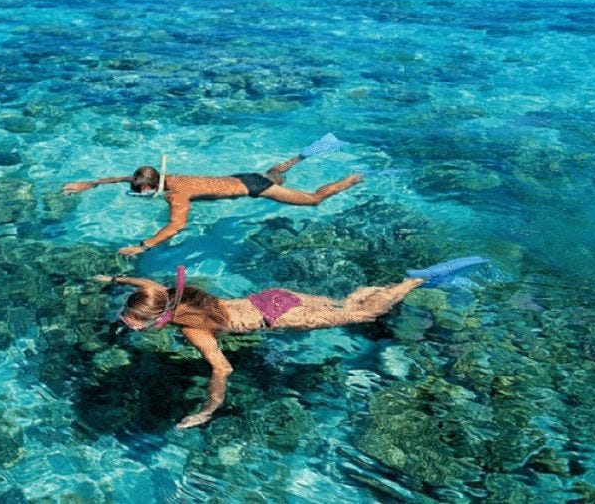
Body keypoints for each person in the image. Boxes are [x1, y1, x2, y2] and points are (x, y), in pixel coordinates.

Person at [95, 265, 434, 429]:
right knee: (339, 307)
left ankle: (415, 280)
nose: (133, 326)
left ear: (160, 317)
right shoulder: (166, 293)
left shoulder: (193, 329)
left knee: (367, 314)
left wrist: (208, 409)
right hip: (271, 296)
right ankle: (370, 290)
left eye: (137, 323)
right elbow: (142, 283)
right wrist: (113, 280)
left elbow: (223, 369)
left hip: (278, 315)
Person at [62, 134, 363, 256]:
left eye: (141, 192)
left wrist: (143, 246)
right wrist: (89, 184)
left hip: (254, 188)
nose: (138, 192)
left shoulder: (176, 194)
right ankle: (307, 153)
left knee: (313, 200)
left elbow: (177, 226)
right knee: (274, 173)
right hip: (243, 176)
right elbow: (124, 177)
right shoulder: (164, 177)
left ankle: (352, 178)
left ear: (153, 188)